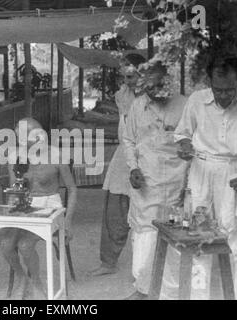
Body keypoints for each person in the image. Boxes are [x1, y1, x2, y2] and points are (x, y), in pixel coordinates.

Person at [170, 55, 237, 300]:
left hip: (232, 171)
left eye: (229, 90)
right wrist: (186, 148)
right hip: (200, 169)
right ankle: (199, 296)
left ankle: (234, 295)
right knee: (198, 234)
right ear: (209, 82)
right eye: (217, 90)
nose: (223, 96)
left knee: (231, 234)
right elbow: (183, 134)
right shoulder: (197, 100)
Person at [123, 62, 189, 300]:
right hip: (146, 184)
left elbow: (194, 143)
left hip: (177, 184)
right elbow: (129, 141)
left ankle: (170, 295)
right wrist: (133, 168)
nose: (156, 90)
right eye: (150, 86)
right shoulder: (137, 106)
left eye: (160, 84)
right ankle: (143, 290)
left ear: (168, 81)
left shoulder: (185, 105)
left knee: (175, 239)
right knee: (145, 237)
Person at [0, 117, 77, 299]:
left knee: (25, 245)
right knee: (5, 243)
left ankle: (36, 283)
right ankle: (21, 276)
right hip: (26, 206)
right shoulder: (16, 157)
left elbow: (72, 190)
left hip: (51, 207)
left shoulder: (56, 155)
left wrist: (68, 221)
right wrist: (10, 213)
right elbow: (14, 190)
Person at [91, 64, 140, 277]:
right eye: (125, 77)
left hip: (147, 157)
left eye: (131, 76)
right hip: (123, 159)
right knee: (115, 213)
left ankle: (146, 270)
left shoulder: (157, 97)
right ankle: (108, 262)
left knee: (148, 217)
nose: (128, 81)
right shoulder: (122, 95)